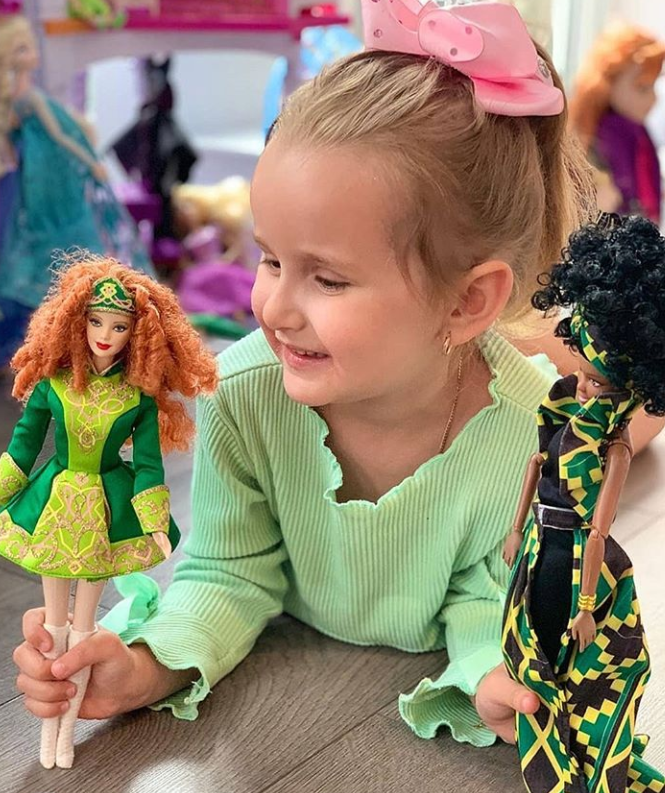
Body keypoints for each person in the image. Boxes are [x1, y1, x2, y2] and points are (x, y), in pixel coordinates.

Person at [13, 0, 600, 751]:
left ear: (466, 301)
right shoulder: (244, 392)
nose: (275, 308)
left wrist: (493, 670)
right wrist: (144, 665)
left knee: (614, 414)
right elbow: (226, 572)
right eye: (269, 259)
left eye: (326, 278)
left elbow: (487, 594)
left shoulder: (533, 433)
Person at [502, 214, 665, 793]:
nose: (585, 387)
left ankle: (579, 757)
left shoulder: (614, 447)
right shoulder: (559, 408)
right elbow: (536, 463)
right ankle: (547, 729)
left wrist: (588, 604)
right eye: (584, 374)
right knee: (531, 641)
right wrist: (516, 527)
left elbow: (598, 529)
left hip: (574, 558)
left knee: (573, 656)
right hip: (538, 542)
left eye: (600, 383)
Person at [1, 255, 218, 767]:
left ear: (137, 335)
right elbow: (24, 444)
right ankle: (50, 737)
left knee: (84, 629)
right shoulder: (54, 384)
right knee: (54, 623)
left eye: (119, 326)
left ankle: (65, 734)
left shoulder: (137, 399)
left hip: (105, 507)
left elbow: (147, 465)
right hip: (55, 500)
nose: (105, 335)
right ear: (75, 323)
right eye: (96, 322)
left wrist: (154, 519)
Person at [0, 14, 154, 367]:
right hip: (48, 177)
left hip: (41, 176)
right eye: (22, 49)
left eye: (29, 47)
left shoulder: (18, 100)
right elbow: (60, 136)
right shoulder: (29, 97)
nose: (32, 54)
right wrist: (90, 160)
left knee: (61, 240)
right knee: (70, 238)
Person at [569, 25, 665, 224]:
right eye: (642, 88)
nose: (654, 98)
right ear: (608, 82)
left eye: (653, 86)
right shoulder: (594, 136)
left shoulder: (637, 134)